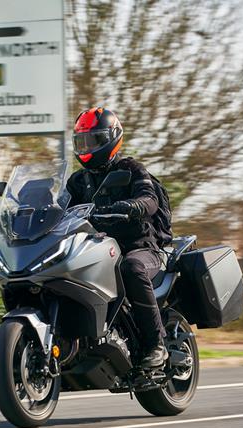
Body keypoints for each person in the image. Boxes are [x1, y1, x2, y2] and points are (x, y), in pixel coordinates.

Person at [66, 107, 168, 369]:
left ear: (112, 139)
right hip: (96, 248)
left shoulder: (131, 169)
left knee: (130, 267)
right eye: (82, 142)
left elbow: (150, 198)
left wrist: (133, 206)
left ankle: (156, 344)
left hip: (140, 247)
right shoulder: (78, 181)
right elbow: (60, 208)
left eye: (94, 140)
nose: (87, 147)